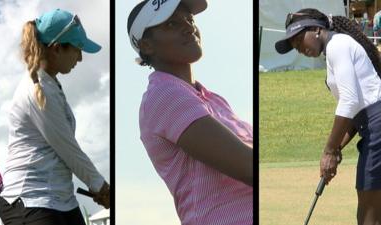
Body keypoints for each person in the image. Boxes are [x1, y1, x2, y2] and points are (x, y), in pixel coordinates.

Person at [127, 0, 253, 224]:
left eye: (189, 19)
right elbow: (248, 166)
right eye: (172, 24)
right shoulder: (164, 95)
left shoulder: (212, 98)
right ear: (146, 45)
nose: (188, 26)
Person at [0, 9, 110, 225]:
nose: (81, 57)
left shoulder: (50, 86)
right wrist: (102, 188)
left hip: (60, 201)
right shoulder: (37, 90)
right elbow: (67, 148)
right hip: (30, 201)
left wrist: (100, 188)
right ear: (57, 49)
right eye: (77, 49)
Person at [275, 8, 381, 224]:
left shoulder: (337, 45)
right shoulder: (335, 49)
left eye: (298, 40)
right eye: (294, 46)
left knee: (369, 214)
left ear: (315, 29)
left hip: (377, 128)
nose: (299, 49)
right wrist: (338, 147)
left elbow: (349, 101)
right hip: (372, 127)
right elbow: (355, 111)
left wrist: (329, 151)